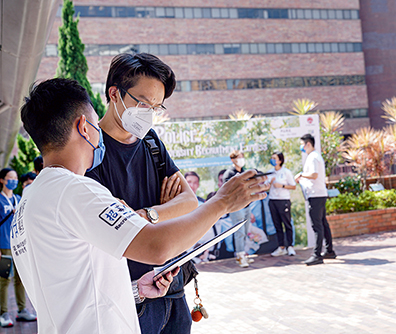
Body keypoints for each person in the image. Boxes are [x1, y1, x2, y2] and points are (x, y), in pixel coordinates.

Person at [12, 78, 269, 332]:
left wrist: (137, 290)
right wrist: (222, 202)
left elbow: (75, 286)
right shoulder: (73, 190)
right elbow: (157, 247)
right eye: (94, 122)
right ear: (83, 127)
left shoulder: (30, 202)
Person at [85, 53, 200, 333]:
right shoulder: (89, 152)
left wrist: (148, 214)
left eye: (156, 106)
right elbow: (110, 227)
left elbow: (189, 201)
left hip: (172, 285)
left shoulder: (151, 142)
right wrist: (165, 212)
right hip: (130, 294)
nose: (149, 113)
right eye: (143, 103)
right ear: (115, 93)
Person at [0, 168, 36, 327]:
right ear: (2, 180)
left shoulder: (18, 198)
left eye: (15, 178)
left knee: (21, 279)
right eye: (10, 178)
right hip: (3, 245)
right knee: (4, 279)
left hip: (18, 245)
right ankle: (3, 313)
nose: (13, 180)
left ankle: (22, 311)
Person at [295, 134, 336, 266]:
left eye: (302, 144)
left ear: (308, 144)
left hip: (316, 195)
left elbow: (314, 175)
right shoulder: (315, 156)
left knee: (317, 225)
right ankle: (329, 250)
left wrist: (301, 175)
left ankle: (317, 255)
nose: (301, 147)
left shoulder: (313, 157)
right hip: (319, 194)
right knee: (323, 223)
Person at [223, 150, 255, 268]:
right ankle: (240, 256)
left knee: (245, 231)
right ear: (233, 160)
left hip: (246, 206)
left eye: (242, 157)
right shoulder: (229, 174)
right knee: (239, 232)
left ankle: (241, 254)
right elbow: (228, 191)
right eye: (239, 157)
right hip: (236, 207)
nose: (242, 159)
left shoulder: (244, 172)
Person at [268, 151, 297, 257]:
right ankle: (281, 247)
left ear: (280, 160)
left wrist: (282, 186)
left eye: (275, 158)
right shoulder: (269, 172)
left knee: (287, 224)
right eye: (272, 158)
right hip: (272, 201)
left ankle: (290, 246)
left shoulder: (286, 172)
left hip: (283, 200)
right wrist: (270, 183)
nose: (272, 160)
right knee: (277, 225)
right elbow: (266, 187)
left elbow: (293, 186)